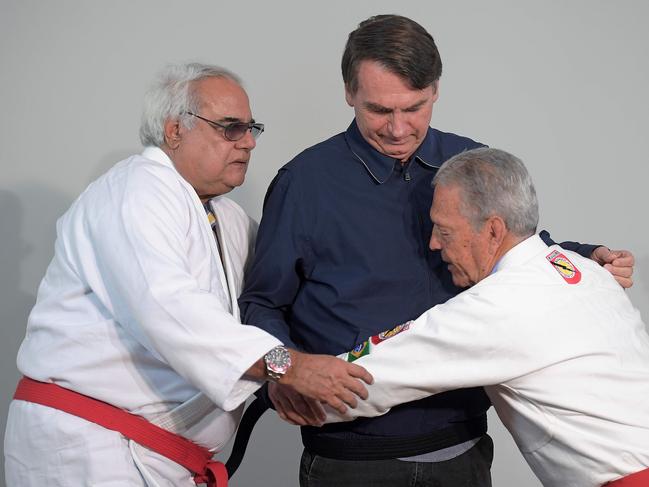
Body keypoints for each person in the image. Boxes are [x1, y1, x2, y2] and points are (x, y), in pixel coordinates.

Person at [239, 15, 636, 487]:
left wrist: (589, 255)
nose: (398, 128)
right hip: (350, 459)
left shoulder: (470, 161)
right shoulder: (302, 184)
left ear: (436, 91)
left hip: (461, 449)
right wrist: (281, 373)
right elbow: (261, 304)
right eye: (379, 111)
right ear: (349, 93)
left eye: (414, 107)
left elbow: (518, 247)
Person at [4, 62, 372, 487]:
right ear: (175, 130)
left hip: (154, 455)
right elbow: (171, 311)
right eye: (231, 128)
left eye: (252, 128)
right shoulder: (135, 190)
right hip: (90, 446)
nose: (249, 142)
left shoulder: (227, 218)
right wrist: (286, 366)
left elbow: (275, 298)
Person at [327, 147, 649, 487]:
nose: (434, 244)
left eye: (444, 230)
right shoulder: (582, 269)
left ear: (494, 230)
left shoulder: (501, 306)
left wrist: (279, 371)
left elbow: (365, 379)